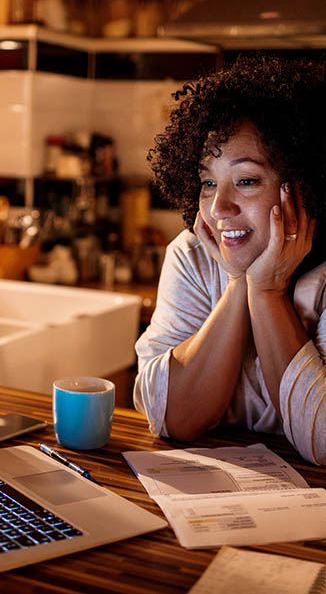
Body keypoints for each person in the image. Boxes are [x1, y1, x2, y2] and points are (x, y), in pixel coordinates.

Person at [133, 54, 326, 465]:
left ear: (306, 185)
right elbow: (173, 418)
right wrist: (239, 283)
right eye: (207, 182)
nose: (219, 208)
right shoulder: (192, 257)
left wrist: (268, 290)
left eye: (246, 181)